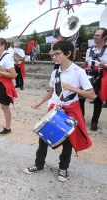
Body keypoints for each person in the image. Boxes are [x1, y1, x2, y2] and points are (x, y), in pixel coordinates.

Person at [24, 40, 96, 182]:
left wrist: (73, 89)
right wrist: (39, 102)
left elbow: (92, 95)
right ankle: (39, 164)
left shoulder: (79, 72)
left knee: (68, 143)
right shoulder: (56, 71)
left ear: (68, 53)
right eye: (53, 53)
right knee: (43, 138)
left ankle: (63, 168)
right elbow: (52, 91)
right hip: (54, 109)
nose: (54, 56)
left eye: (57, 54)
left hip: (70, 111)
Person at [80, 28, 107, 131]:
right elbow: (86, 64)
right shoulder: (89, 50)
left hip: (101, 75)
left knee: (98, 100)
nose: (95, 37)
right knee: (81, 97)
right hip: (87, 75)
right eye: (94, 35)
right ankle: (81, 118)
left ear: (104, 37)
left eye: (97, 35)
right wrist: (76, 68)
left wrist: (104, 66)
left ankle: (94, 121)